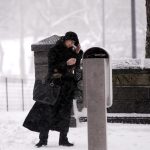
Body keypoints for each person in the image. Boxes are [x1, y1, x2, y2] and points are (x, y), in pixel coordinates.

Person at [23, 31, 83, 148]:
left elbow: (76, 67)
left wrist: (78, 53)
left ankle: (63, 139)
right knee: (47, 114)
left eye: (74, 42)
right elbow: (52, 68)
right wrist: (66, 63)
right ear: (65, 39)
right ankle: (42, 140)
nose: (72, 43)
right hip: (54, 88)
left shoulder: (73, 51)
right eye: (71, 41)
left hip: (67, 88)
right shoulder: (54, 50)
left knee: (65, 115)